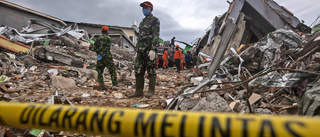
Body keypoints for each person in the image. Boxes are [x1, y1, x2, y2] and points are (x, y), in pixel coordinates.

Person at [129, 1, 160, 98]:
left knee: (151, 69)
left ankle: (151, 91)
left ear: (151, 9)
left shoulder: (155, 20)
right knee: (138, 70)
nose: (144, 10)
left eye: (146, 8)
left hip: (148, 49)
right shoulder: (142, 22)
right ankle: (138, 91)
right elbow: (140, 37)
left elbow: (156, 35)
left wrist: (153, 49)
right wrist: (136, 50)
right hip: (140, 50)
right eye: (143, 8)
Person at [91, 26, 118, 91]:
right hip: (107, 56)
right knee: (112, 70)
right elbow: (107, 47)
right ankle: (114, 84)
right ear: (107, 31)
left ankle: (101, 83)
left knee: (100, 71)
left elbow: (94, 48)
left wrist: (99, 52)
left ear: (102, 31)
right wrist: (103, 52)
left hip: (100, 57)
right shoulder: (108, 38)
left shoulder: (98, 39)